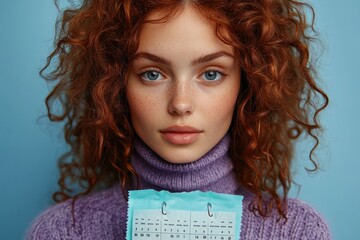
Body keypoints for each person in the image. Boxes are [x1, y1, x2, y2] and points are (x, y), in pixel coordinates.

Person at [27, 0, 330, 239]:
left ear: (248, 83)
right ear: (115, 84)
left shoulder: (299, 232)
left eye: (211, 74)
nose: (180, 104)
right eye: (152, 74)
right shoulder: (62, 233)